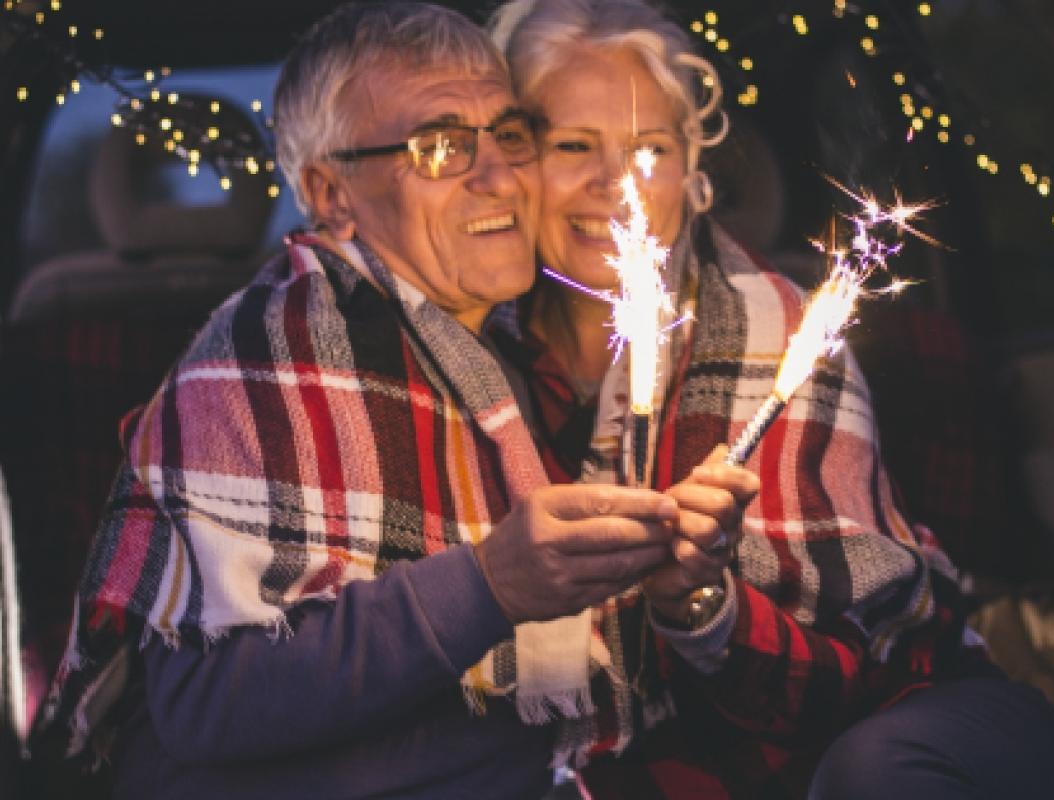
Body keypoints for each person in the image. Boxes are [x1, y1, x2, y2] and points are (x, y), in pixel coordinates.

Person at [29, 4, 756, 798]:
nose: (500, 177)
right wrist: (491, 586)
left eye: (509, 135)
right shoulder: (264, 360)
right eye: (439, 147)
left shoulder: (512, 358)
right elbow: (204, 706)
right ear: (329, 192)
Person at [488, 0, 1054, 796]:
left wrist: (704, 603)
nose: (615, 184)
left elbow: (863, 648)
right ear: (514, 163)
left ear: (694, 175)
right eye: (571, 145)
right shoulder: (479, 358)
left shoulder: (775, 328)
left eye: (650, 148)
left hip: (880, 706)